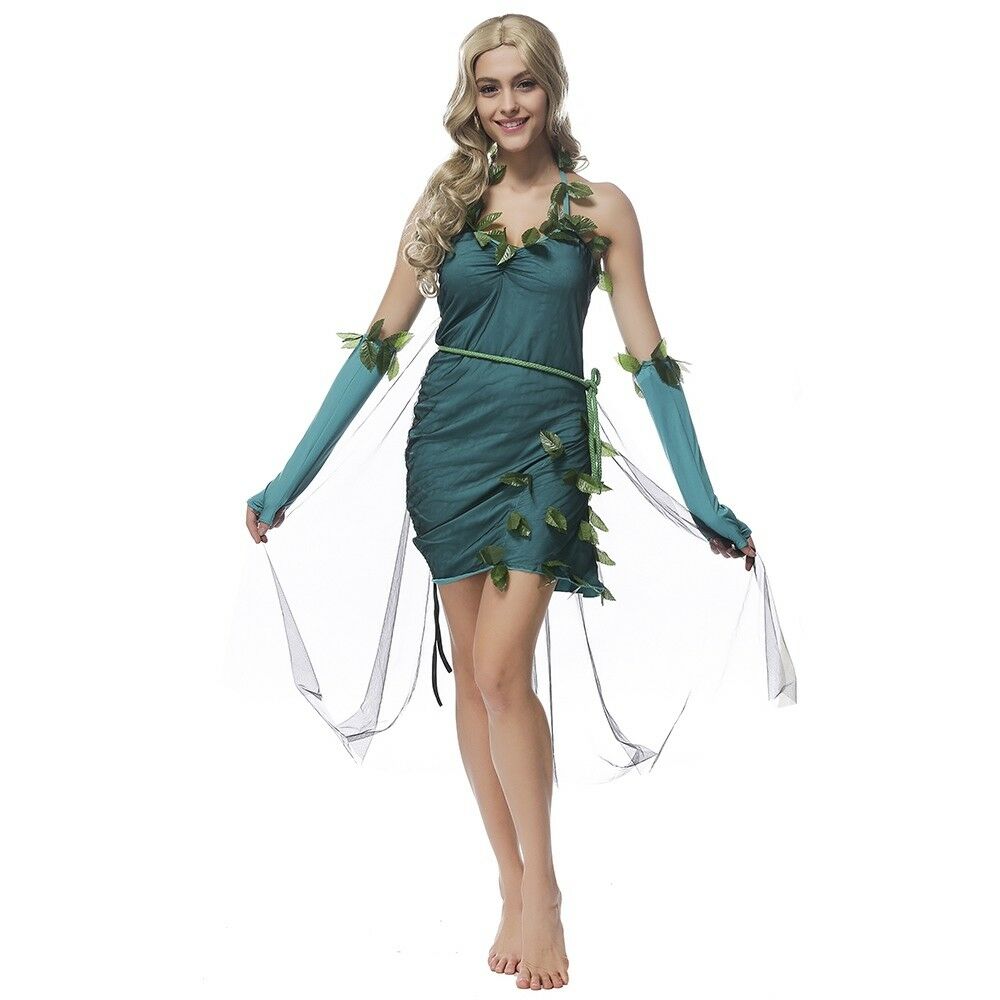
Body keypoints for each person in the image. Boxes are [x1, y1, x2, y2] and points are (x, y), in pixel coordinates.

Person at [244, 14, 796, 992]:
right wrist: (288, 480)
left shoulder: (602, 209)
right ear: (472, 98)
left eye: (523, 84)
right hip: (446, 448)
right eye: (489, 86)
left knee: (502, 669)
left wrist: (704, 498)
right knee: (480, 679)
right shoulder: (445, 203)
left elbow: (649, 360)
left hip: (545, 451)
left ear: (552, 90)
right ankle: (509, 877)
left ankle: (543, 892)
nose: (507, 104)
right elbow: (377, 344)